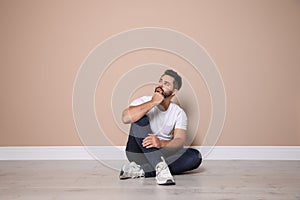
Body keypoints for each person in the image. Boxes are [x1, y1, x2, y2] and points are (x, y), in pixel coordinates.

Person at [119, 69, 202, 185]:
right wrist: (153, 102)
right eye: (160, 81)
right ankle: (160, 167)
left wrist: (160, 143)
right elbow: (125, 118)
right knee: (139, 117)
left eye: (166, 84)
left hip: (162, 152)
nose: (160, 85)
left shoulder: (178, 113)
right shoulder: (144, 101)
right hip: (138, 152)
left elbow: (179, 140)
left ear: (174, 92)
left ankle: (141, 171)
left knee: (194, 156)